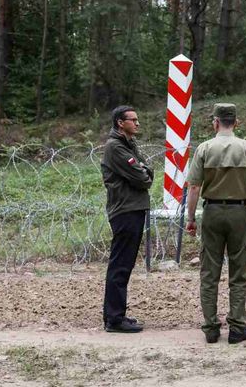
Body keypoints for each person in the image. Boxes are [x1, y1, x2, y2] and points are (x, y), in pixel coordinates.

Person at [186, 103, 246, 344]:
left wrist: (191, 218)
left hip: (211, 212)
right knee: (238, 272)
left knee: (209, 272)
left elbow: (194, 187)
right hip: (239, 213)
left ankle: (211, 328)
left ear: (215, 122)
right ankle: (237, 326)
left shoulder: (204, 148)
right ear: (236, 123)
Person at [101, 105, 154, 333]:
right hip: (125, 210)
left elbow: (147, 171)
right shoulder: (116, 147)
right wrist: (144, 172)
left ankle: (117, 314)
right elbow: (142, 178)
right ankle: (114, 318)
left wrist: (144, 172)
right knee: (120, 265)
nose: (137, 123)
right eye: (133, 120)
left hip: (132, 208)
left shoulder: (127, 145)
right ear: (120, 123)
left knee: (125, 264)